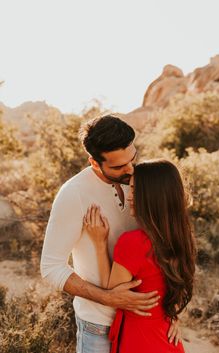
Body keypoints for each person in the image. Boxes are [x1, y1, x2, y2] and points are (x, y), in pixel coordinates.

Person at [40, 115, 180, 353]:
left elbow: (166, 243)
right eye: (117, 166)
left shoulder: (139, 180)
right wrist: (108, 298)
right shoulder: (74, 194)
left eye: (132, 159)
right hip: (99, 327)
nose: (130, 169)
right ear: (94, 163)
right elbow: (51, 267)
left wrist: (172, 309)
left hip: (144, 324)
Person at [84, 159, 196, 353]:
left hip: (141, 341)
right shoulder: (180, 238)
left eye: (135, 191)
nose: (129, 197)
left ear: (151, 196)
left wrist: (100, 244)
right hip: (167, 338)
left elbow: (112, 292)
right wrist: (173, 316)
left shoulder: (133, 242)